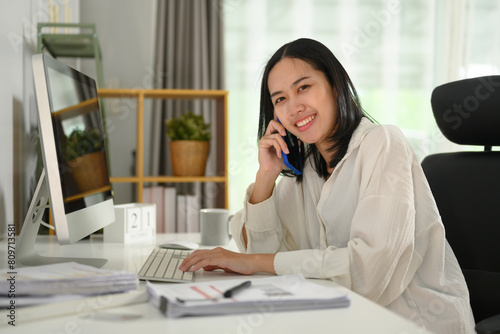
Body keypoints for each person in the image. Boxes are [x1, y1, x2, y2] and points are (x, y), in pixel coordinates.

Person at [180, 38, 475, 333]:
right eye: (280, 99)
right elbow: (263, 254)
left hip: (412, 323)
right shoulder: (306, 168)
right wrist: (266, 175)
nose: (293, 107)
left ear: (335, 85)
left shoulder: (383, 144)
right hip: (343, 320)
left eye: (303, 87)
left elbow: (368, 271)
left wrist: (254, 261)